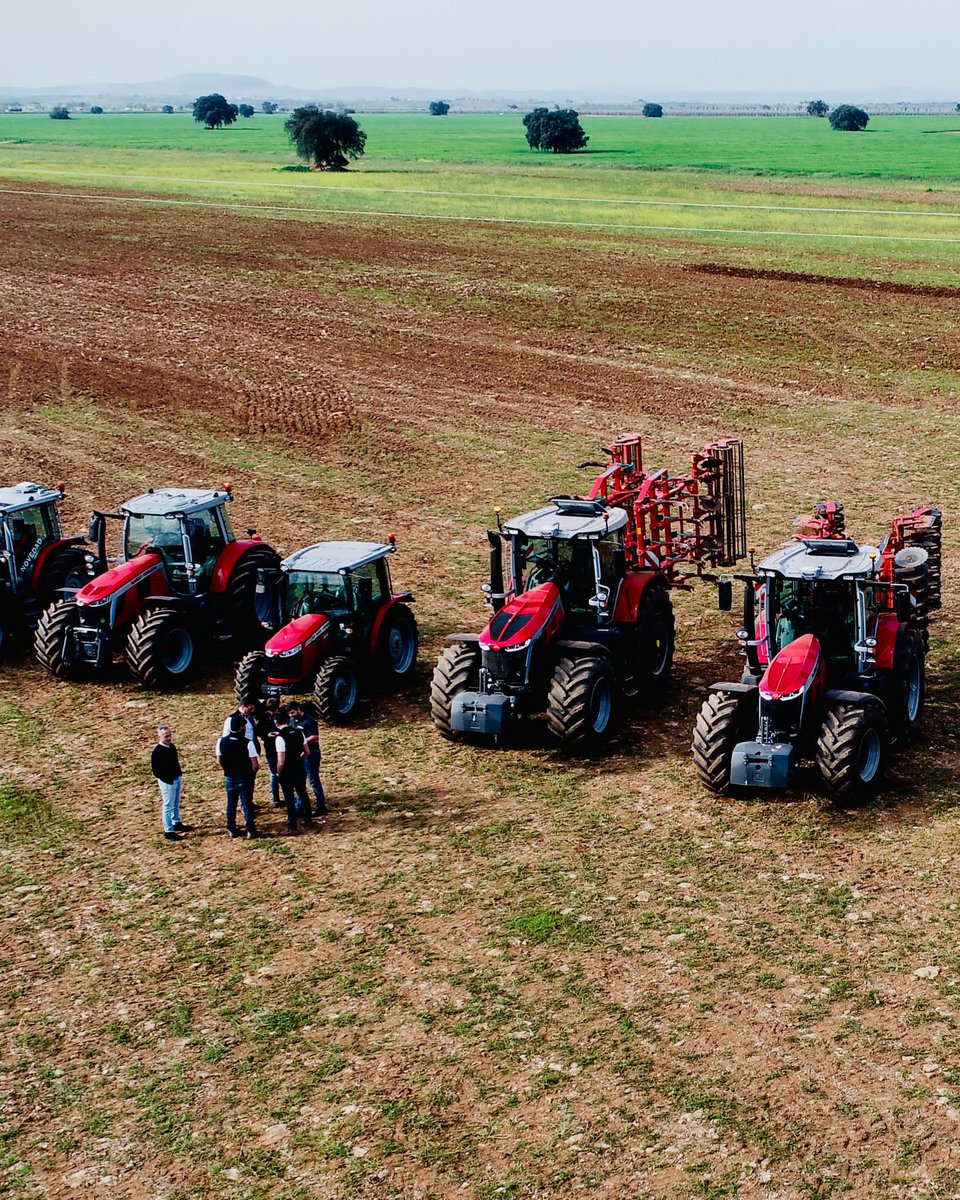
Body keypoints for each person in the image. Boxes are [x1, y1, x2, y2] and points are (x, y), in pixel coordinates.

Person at [216, 715, 260, 840]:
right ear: (241, 727)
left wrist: (226, 769)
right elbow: (255, 764)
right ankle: (251, 829)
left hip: (230, 776)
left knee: (231, 803)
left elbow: (219, 759)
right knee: (246, 803)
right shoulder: (248, 742)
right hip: (245, 776)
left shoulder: (221, 741)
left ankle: (231, 828)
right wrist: (252, 774)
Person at [274, 707, 311, 835]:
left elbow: (281, 761)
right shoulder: (299, 732)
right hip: (299, 768)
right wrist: (298, 759)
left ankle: (292, 826)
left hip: (287, 771)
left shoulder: (280, 738)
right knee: (302, 793)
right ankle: (308, 818)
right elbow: (307, 752)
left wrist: (278, 773)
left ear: (277, 724)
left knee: (289, 798)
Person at [288, 700, 327, 816]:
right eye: (290, 713)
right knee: (300, 781)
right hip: (300, 755)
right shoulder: (292, 721)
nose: (291, 715)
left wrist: (301, 741)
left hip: (311, 755)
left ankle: (321, 806)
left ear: (299, 709)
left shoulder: (309, 721)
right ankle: (299, 807)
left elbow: (315, 737)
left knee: (314, 780)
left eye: (293, 712)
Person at [151, 725, 190, 841]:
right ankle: (168, 830)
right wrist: (168, 779)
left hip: (176, 778)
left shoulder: (171, 747)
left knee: (176, 802)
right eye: (166, 736)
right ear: (160, 736)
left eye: (169, 735)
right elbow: (156, 771)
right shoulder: (157, 752)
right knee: (168, 805)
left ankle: (176, 822)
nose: (168, 738)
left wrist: (178, 775)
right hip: (167, 782)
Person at [223, 701, 261, 801]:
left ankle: (249, 800)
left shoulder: (249, 717)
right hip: (239, 752)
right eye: (249, 708)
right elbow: (226, 736)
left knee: (250, 779)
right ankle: (245, 803)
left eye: (252, 708)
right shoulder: (231, 719)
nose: (251, 711)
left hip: (250, 750)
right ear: (242, 707)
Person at [257, 697, 282, 808]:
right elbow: (258, 730)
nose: (272, 712)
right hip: (270, 746)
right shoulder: (263, 717)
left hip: (281, 745)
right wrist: (267, 734)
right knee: (274, 772)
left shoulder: (282, 714)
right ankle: (276, 798)